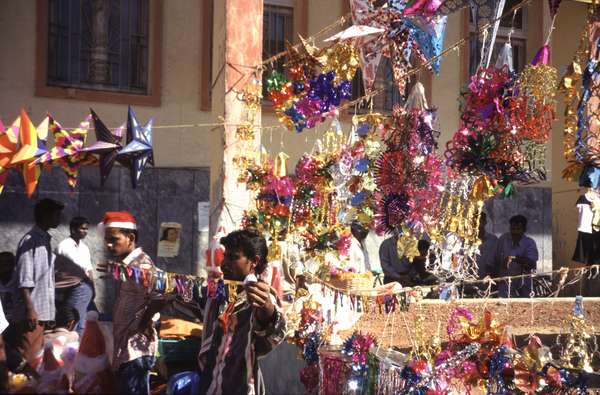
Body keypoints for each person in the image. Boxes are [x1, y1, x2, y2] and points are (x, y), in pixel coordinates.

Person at [198, 229, 287, 395]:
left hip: (241, 387)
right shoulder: (218, 291)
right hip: (210, 385)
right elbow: (195, 301)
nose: (224, 264)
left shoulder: (262, 296)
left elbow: (274, 332)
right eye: (226, 256)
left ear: (254, 262)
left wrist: (267, 310)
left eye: (233, 257)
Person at [100, 211, 166, 395]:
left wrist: (143, 323)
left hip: (136, 349)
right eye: (107, 240)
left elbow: (160, 296)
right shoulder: (128, 266)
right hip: (126, 348)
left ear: (130, 238)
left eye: (114, 240)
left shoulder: (142, 264)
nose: (109, 245)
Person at [9, 198, 63, 369]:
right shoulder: (30, 240)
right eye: (56, 214)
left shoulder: (44, 239)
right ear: (45, 215)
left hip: (41, 312)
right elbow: (24, 279)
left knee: (36, 359)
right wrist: (31, 309)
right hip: (31, 313)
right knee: (28, 360)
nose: (59, 218)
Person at [55, 217, 94, 336]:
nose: (85, 231)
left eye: (87, 229)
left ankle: (78, 349)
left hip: (84, 287)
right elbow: (67, 271)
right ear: (73, 230)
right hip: (71, 288)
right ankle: (71, 350)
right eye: (82, 228)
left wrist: (93, 289)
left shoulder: (84, 247)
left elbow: (89, 269)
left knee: (82, 321)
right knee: (73, 322)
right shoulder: (64, 246)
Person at [495, 215, 539, 298]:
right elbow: (496, 260)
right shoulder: (503, 239)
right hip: (505, 285)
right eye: (512, 229)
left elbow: (531, 263)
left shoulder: (529, 243)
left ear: (524, 229)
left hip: (524, 285)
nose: (515, 232)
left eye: (518, 229)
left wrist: (514, 258)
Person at [476, 212, 498, 279]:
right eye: (474, 221)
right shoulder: (465, 240)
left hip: (487, 279)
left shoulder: (493, 240)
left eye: (480, 221)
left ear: (485, 222)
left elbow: (497, 261)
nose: (477, 224)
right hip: (468, 278)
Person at [0, 252, 15, 323]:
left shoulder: (18, 280)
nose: (5, 267)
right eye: (2, 264)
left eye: (7, 264)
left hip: (16, 320)